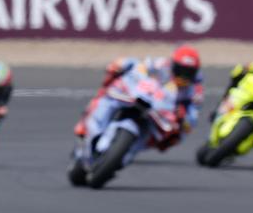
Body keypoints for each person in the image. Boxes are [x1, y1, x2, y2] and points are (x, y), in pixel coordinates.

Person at [74, 45, 203, 150]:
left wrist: (183, 119)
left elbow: (192, 118)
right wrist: (123, 65)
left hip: (161, 113)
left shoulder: (195, 90)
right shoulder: (162, 64)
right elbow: (140, 66)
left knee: (174, 136)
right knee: (111, 84)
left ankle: (132, 147)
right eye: (181, 70)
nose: (184, 76)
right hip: (140, 95)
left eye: (189, 73)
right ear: (173, 65)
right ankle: (89, 119)